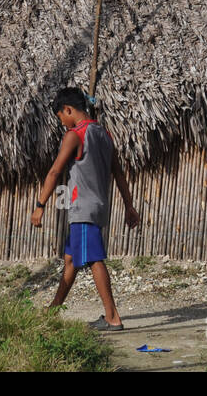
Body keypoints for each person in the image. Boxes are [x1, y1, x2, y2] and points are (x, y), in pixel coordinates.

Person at [31, 87, 140, 330]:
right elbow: (119, 173)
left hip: (83, 208)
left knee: (93, 259)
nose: (62, 124)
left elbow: (55, 171)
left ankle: (112, 318)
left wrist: (40, 205)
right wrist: (129, 205)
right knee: (71, 259)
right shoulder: (103, 134)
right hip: (100, 206)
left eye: (61, 117)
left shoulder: (75, 135)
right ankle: (53, 310)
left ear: (68, 110)